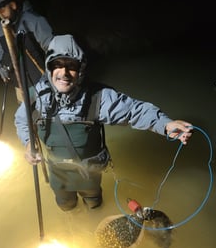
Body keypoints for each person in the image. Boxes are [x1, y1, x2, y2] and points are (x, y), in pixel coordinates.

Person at [14, 34, 193, 212]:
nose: (64, 73)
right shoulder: (36, 97)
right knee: (66, 206)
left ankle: (94, 214)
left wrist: (165, 124)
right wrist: (29, 144)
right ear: (49, 68)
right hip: (57, 171)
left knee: (94, 204)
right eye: (57, 65)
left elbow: (134, 111)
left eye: (71, 66)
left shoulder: (98, 97)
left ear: (81, 69)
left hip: (90, 171)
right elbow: (22, 120)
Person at [0, 0, 54, 102]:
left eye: (3, 10)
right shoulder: (0, 28)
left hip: (41, 79)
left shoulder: (33, 20)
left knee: (48, 114)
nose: (1, 15)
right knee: (24, 116)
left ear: (13, 5)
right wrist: (0, 67)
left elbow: (52, 47)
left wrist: (55, 73)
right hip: (19, 84)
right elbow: (1, 52)